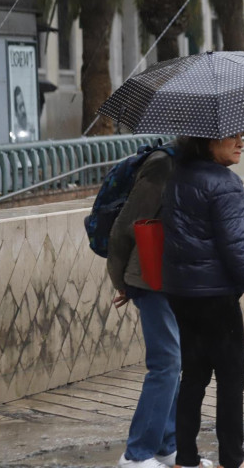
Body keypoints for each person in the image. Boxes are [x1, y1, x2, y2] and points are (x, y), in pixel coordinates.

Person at [162, 133, 244, 468]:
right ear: (206, 143)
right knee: (231, 380)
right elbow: (240, 250)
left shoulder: (178, 175)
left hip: (182, 291)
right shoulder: (224, 183)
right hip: (216, 296)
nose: (240, 143)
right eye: (229, 138)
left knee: (194, 376)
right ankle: (231, 460)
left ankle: (186, 458)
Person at [107, 148, 179, 468]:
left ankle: (166, 443)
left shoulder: (203, 166)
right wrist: (120, 279)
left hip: (182, 281)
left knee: (179, 363)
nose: (234, 141)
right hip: (151, 279)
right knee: (167, 363)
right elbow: (127, 226)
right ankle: (137, 453)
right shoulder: (164, 166)